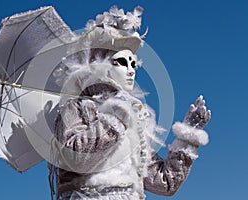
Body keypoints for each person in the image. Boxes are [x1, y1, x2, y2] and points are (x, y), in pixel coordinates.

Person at [50, 6, 211, 200]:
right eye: (122, 62)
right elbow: (75, 156)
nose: (131, 70)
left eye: (133, 63)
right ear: (100, 63)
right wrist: (115, 117)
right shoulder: (77, 108)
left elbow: (164, 183)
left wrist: (188, 138)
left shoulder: (133, 118)